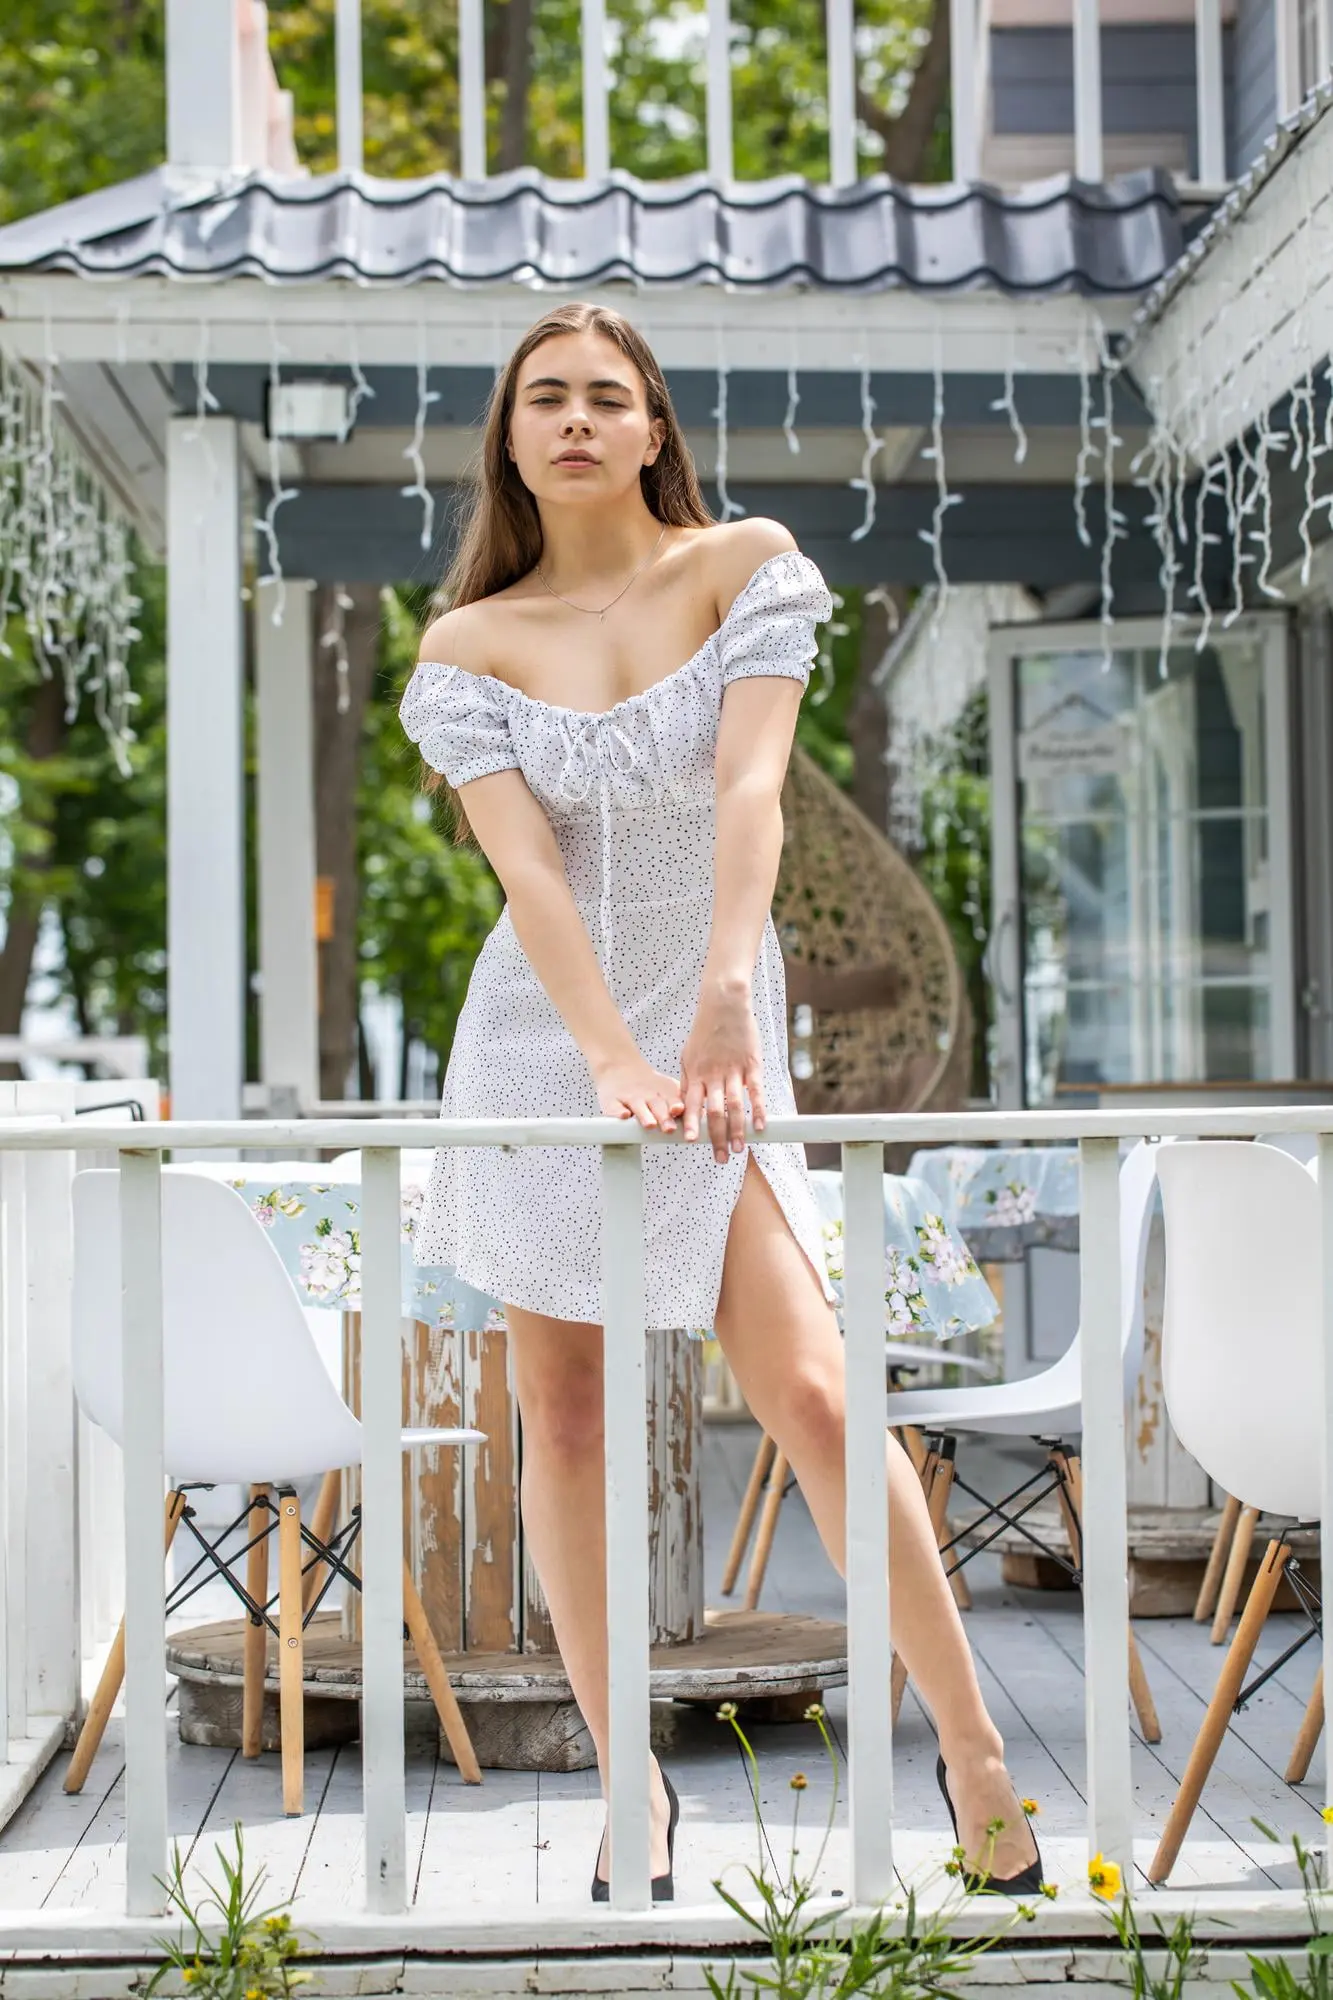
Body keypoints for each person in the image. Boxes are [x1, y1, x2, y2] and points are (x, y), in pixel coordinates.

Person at [398, 299, 1043, 1903]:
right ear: (510, 437)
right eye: (543, 397)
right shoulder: (467, 647)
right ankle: (635, 1794)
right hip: (544, 1044)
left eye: (605, 396)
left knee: (818, 1394)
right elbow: (527, 871)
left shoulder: (744, 568)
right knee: (564, 1417)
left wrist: (714, 1007)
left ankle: (975, 1757)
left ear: (653, 428)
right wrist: (608, 1050)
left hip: (718, 1033)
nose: (573, 420)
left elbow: (753, 790)